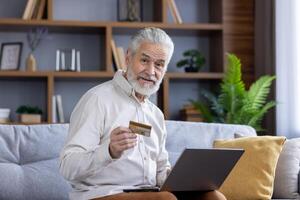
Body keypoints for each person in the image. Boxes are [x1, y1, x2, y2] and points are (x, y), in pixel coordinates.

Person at [59, 27, 226, 200]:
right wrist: (109, 151)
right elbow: (67, 166)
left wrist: (184, 178)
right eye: (144, 60)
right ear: (128, 58)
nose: (151, 71)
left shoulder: (156, 114)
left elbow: (161, 171)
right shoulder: (97, 100)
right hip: (102, 194)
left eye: (159, 64)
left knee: (214, 197)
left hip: (149, 192)